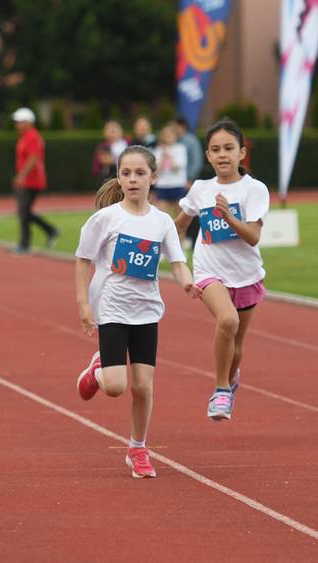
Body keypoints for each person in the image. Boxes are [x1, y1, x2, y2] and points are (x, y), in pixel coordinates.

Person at [75, 145, 201, 478]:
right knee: (116, 387)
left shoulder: (162, 222)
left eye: (140, 173)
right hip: (112, 309)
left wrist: (188, 283)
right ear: (119, 177)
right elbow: (83, 259)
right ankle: (97, 372)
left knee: (143, 387)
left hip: (146, 312)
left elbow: (177, 263)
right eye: (126, 173)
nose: (133, 180)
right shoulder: (106, 218)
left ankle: (138, 448)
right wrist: (83, 303)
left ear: (153, 178)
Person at [174, 118, 269, 422]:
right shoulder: (201, 189)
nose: (222, 154)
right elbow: (180, 224)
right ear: (207, 156)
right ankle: (220, 390)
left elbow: (253, 236)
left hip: (247, 274)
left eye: (229, 148)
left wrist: (229, 217)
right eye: (216, 149)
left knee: (236, 346)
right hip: (209, 270)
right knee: (226, 321)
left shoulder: (254, 189)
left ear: (242, 152)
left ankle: (229, 377)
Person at [11, 107, 58, 253]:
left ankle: (24, 244)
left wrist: (21, 176)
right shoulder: (25, 136)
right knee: (24, 212)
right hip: (27, 180)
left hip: (32, 180)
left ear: (28, 122)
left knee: (23, 212)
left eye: (19, 121)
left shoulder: (32, 136)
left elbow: (33, 158)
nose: (16, 124)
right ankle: (50, 230)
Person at [174, 116, 204, 249]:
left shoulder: (191, 141)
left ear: (182, 127)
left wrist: (190, 179)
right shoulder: (175, 141)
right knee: (184, 212)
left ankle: (194, 240)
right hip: (177, 183)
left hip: (188, 182)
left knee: (193, 212)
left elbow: (197, 161)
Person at [152, 123, 188, 216]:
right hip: (162, 185)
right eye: (165, 134)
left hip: (177, 185)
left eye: (170, 134)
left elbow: (177, 167)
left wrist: (166, 153)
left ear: (176, 136)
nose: (167, 136)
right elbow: (156, 169)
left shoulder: (180, 148)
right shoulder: (158, 150)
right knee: (161, 215)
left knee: (179, 216)